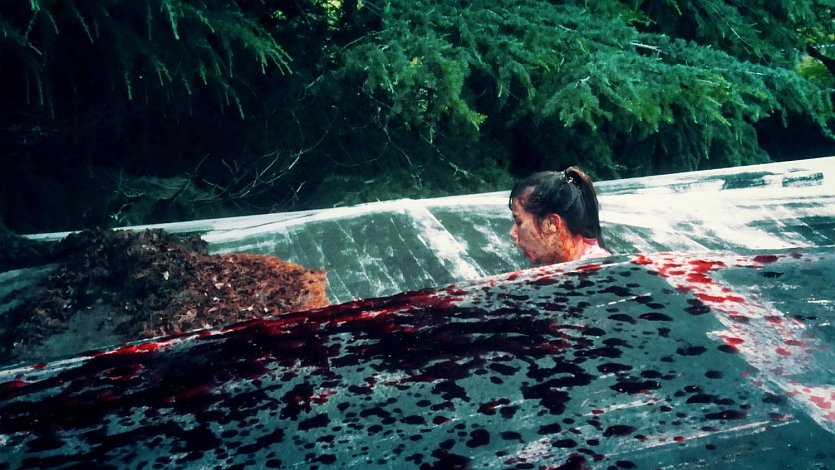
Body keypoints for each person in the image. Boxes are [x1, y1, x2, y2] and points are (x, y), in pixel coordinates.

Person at [509, 166, 609, 265]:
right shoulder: (579, 265)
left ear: (552, 224)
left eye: (519, 222)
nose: (512, 233)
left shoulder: (594, 268)